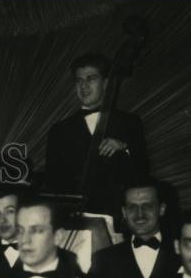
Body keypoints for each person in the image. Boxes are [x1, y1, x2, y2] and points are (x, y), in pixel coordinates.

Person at [44, 53, 148, 219]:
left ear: (106, 83)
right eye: (79, 80)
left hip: (120, 217)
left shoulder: (130, 123)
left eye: (91, 78)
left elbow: (143, 172)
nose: (83, 86)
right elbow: (52, 183)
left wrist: (125, 147)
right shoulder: (60, 130)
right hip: (74, 220)